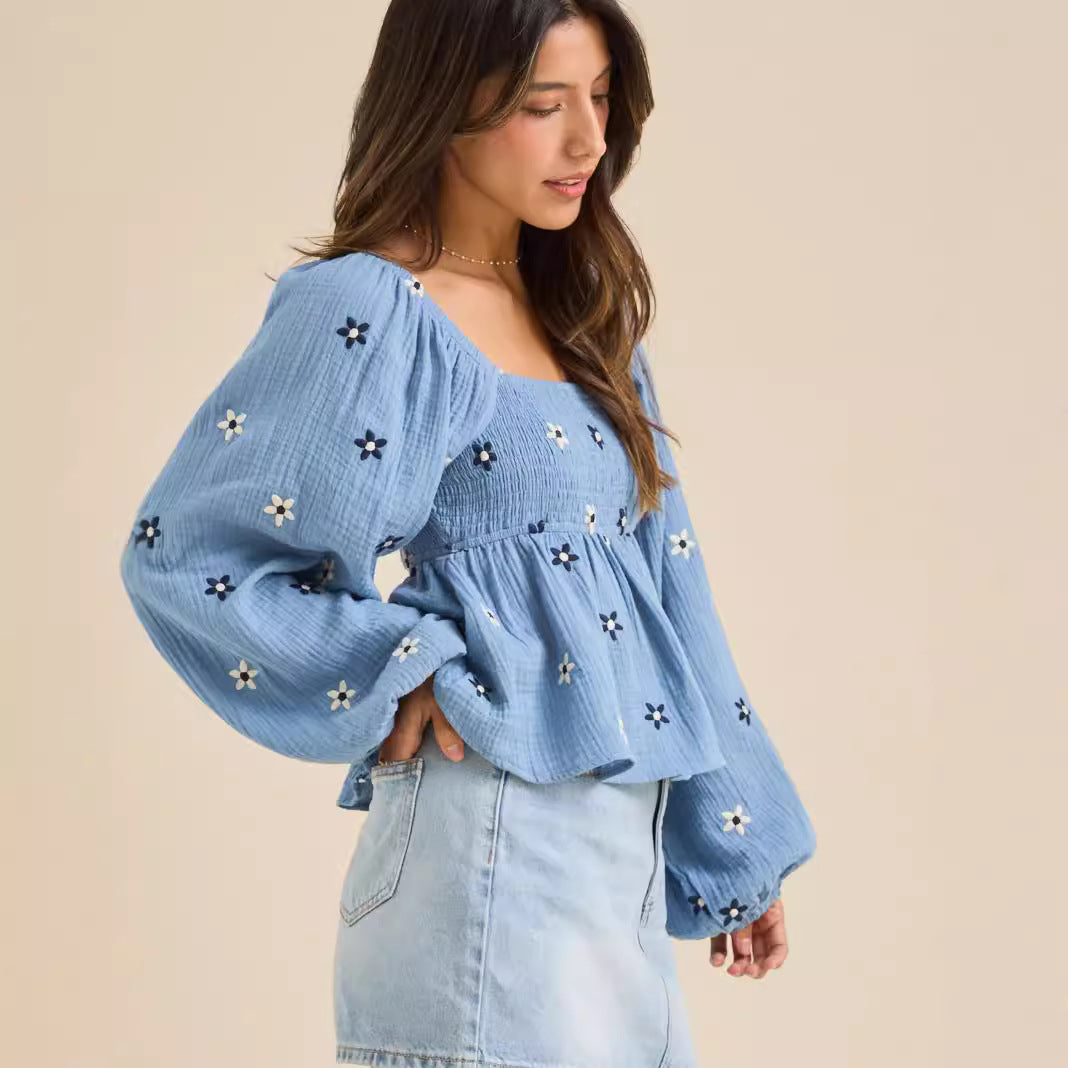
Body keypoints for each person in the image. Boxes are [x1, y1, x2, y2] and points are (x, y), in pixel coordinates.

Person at [118, 1, 817, 1065]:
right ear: (445, 104)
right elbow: (187, 553)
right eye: (544, 106)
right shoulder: (374, 307)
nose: (588, 141)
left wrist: (734, 838)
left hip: (619, 864)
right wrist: (399, 662)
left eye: (601, 99)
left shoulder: (591, 328)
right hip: (481, 845)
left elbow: (669, 587)